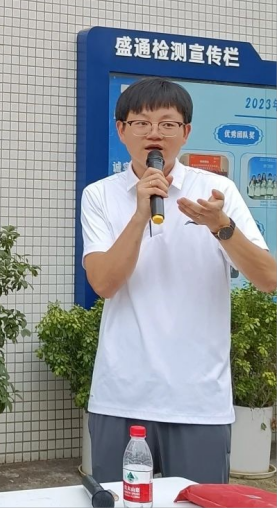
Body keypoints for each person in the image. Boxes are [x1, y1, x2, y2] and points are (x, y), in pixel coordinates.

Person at [80, 77, 276, 484]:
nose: (154, 133)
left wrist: (222, 227)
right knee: (121, 502)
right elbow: (104, 283)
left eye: (168, 124)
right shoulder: (100, 195)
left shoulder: (216, 190)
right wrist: (140, 212)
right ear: (121, 130)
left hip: (198, 400)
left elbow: (267, 278)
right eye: (141, 123)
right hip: (122, 396)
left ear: (185, 132)